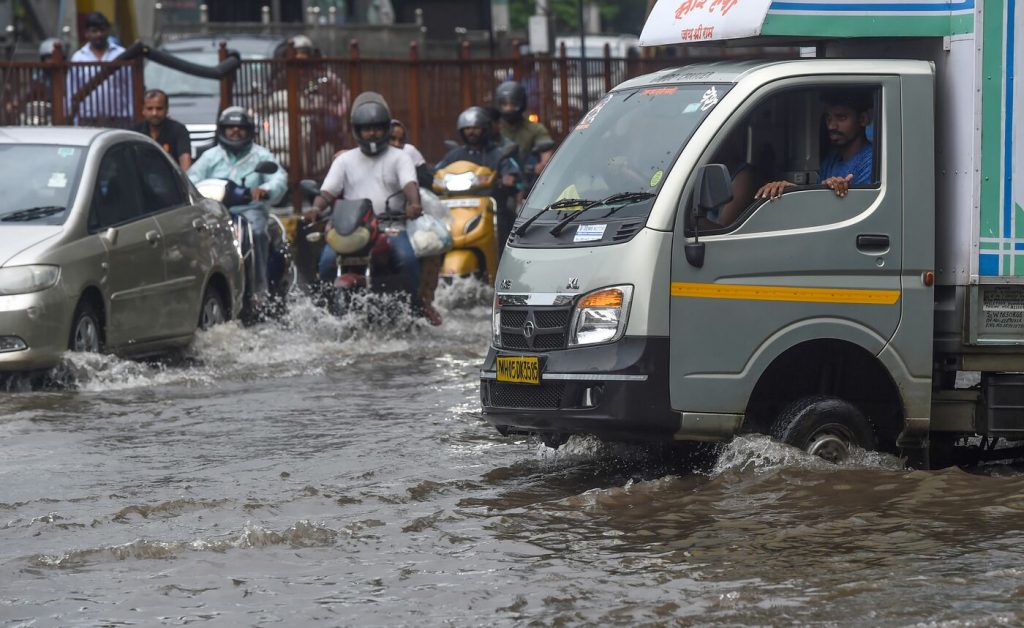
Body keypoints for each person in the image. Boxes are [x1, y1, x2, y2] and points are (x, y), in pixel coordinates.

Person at [303, 92, 431, 322]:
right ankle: (325, 311)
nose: (372, 133)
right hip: (351, 227)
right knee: (326, 262)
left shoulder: (400, 157)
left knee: (407, 258)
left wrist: (414, 203)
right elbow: (327, 191)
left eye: (377, 128)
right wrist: (316, 208)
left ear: (385, 129)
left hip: (390, 225)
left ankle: (416, 307)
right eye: (366, 128)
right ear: (357, 131)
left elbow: (409, 183)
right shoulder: (344, 160)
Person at [188, 106, 287, 305]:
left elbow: (279, 177)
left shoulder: (260, 155)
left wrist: (265, 189)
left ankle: (260, 293)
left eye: (240, 127)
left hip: (250, 210)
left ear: (248, 130)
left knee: (258, 233)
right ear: (222, 130)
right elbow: (191, 178)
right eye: (230, 127)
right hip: (216, 212)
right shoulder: (211, 156)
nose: (235, 131)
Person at [756, 89, 874, 201]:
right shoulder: (831, 159)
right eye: (828, 118)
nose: (831, 126)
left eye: (841, 117)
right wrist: (790, 190)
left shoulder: (871, 162)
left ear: (863, 119)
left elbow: (855, 209)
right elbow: (816, 201)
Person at [437, 106, 520, 257]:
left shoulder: (497, 154)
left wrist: (508, 178)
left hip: (489, 208)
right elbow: (439, 172)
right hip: (457, 208)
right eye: (467, 128)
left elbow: (510, 171)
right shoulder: (455, 154)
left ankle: (501, 261)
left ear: (485, 129)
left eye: (475, 128)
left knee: (504, 221)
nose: (471, 132)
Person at [67, 11, 132, 125]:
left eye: (102, 30)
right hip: (87, 119)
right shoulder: (78, 58)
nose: (99, 34)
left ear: (108, 31)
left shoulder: (121, 54)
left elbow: (131, 88)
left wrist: (132, 116)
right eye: (94, 31)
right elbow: (71, 91)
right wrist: (74, 119)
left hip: (119, 118)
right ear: (86, 33)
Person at [495, 80, 553, 185]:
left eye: (513, 104)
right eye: (504, 104)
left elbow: (546, 150)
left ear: (522, 103)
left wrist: (542, 165)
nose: (508, 108)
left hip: (527, 180)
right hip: (498, 180)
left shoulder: (536, 129)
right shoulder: (494, 129)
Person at [133, 89, 192, 170]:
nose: (154, 113)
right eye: (150, 109)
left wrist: (185, 180)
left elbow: (185, 161)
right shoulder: (135, 132)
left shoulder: (179, 130)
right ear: (143, 110)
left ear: (167, 109)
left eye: (159, 108)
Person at [389, 119, 434, 188]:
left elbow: (426, 180)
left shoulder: (409, 151)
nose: (397, 144)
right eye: (392, 138)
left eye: (401, 140)